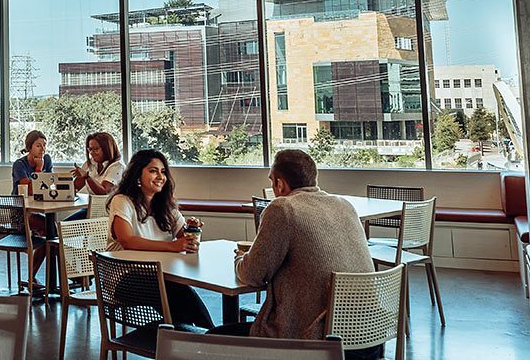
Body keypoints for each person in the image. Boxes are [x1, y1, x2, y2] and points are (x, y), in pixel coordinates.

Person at [220, 149, 381, 359]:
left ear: (280, 184)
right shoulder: (344, 205)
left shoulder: (282, 208)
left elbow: (252, 274)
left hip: (316, 343)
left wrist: (240, 258)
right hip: (368, 339)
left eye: (272, 181)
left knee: (212, 338)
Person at [106, 149, 214, 329]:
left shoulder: (165, 204)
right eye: (153, 171)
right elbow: (127, 240)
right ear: (137, 174)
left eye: (163, 172)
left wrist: (191, 230)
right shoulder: (122, 200)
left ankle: (199, 341)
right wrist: (172, 246)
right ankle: (213, 340)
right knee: (179, 294)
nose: (160, 176)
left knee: (180, 297)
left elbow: (183, 239)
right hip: (123, 278)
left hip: (159, 274)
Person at [11, 130, 52, 290]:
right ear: (29, 147)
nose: (42, 149)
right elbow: (29, 188)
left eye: (44, 145)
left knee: (51, 233)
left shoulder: (47, 159)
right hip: (19, 213)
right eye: (38, 145)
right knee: (51, 231)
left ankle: (33, 277)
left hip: (37, 210)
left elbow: (49, 184)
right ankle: (32, 277)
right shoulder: (19, 164)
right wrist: (39, 169)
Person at [66, 131, 124, 221]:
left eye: (96, 149)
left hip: (109, 213)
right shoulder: (90, 163)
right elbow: (74, 188)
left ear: (107, 149)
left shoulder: (117, 166)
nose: (92, 153)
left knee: (63, 227)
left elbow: (103, 192)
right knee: (60, 226)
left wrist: (87, 177)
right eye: (90, 149)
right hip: (91, 210)